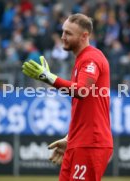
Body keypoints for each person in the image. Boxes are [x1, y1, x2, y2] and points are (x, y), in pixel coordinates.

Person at [22, 13, 113, 181]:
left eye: (68, 33)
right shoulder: (81, 59)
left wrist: (48, 77)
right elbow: (84, 108)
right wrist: (70, 138)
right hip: (78, 142)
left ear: (84, 36)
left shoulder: (91, 59)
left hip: (91, 143)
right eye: (63, 31)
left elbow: (82, 91)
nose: (63, 37)